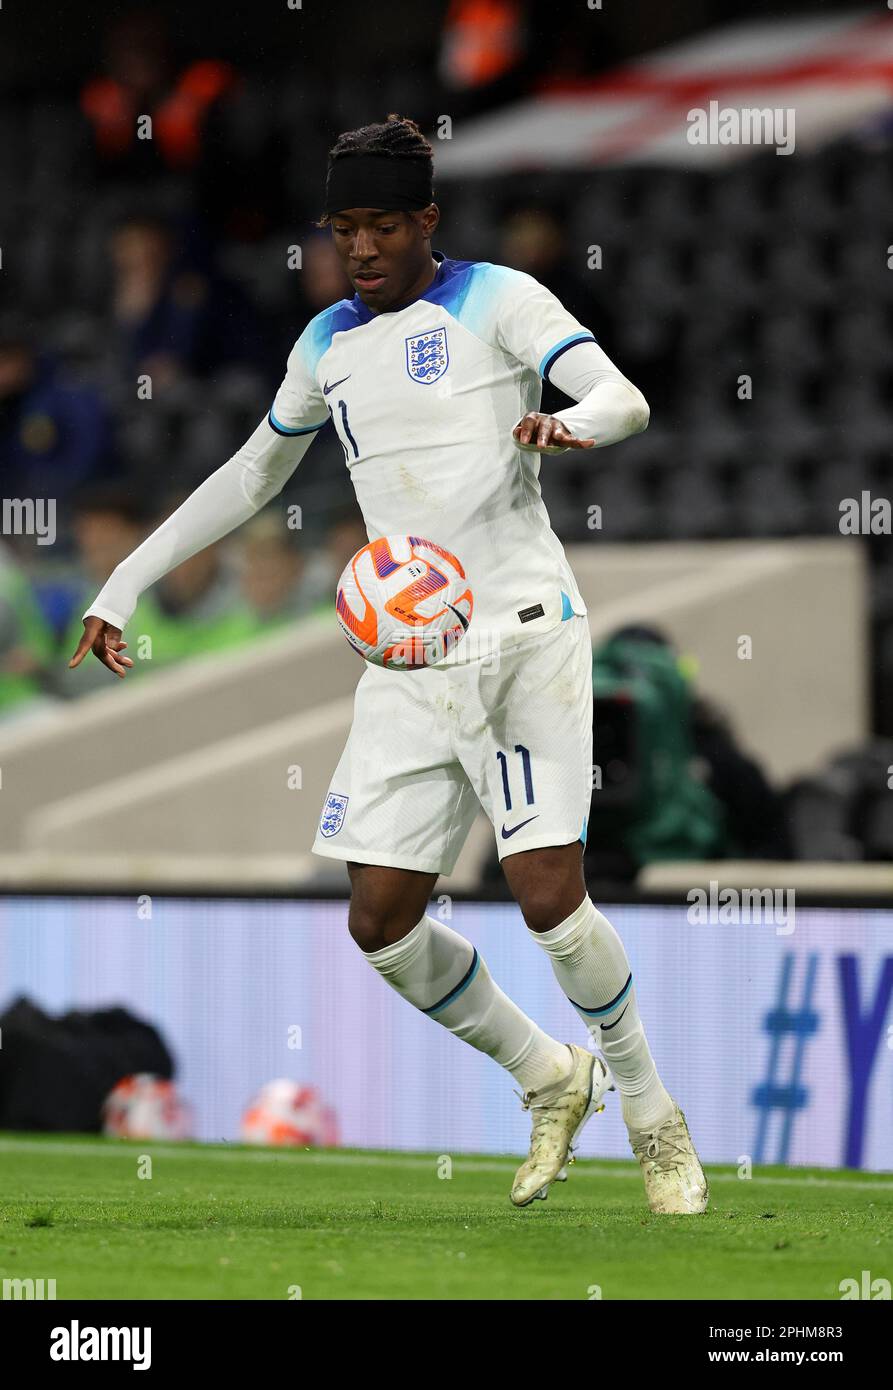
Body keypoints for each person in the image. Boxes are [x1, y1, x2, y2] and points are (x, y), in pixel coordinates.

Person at [70, 115, 706, 1216]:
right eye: (341, 229)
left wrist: (571, 427)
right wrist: (124, 578)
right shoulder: (324, 342)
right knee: (377, 918)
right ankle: (550, 1077)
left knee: (547, 899)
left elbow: (623, 395)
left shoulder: (500, 299)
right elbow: (252, 473)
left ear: (426, 220)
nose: (357, 249)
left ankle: (652, 1115)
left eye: (378, 226)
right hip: (409, 654)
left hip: (519, 632)